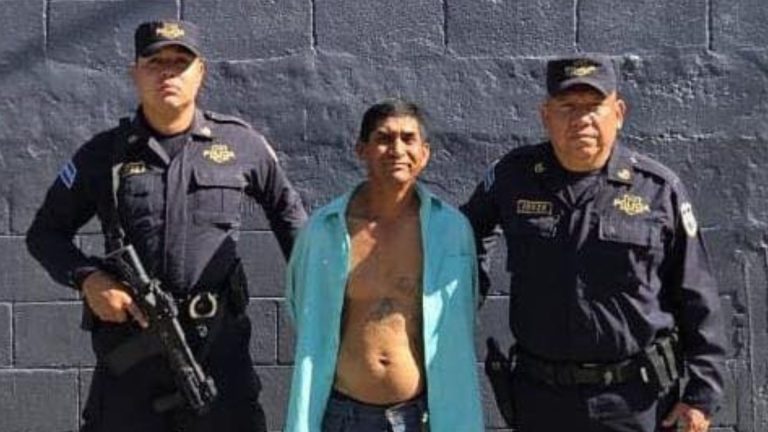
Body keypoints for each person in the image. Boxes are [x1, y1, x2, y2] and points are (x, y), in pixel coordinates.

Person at [26, 20, 307, 432]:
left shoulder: (241, 145)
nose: (167, 73)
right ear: (135, 73)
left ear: (200, 72)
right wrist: (89, 279)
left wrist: (319, 303)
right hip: (129, 360)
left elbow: (292, 222)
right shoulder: (103, 154)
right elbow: (44, 234)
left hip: (219, 354)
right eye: (155, 63)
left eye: (179, 62)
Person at [462, 55, 726, 432]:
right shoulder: (513, 177)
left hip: (636, 400)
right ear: (545, 115)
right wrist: (466, 296)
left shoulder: (657, 189)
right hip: (541, 399)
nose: (581, 119)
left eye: (593, 106)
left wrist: (701, 394)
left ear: (618, 113)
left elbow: (697, 292)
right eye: (567, 107)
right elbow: (464, 236)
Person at [284, 99, 484, 432]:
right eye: (384, 138)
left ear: (425, 153)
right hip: (343, 417)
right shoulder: (323, 231)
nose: (397, 150)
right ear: (361, 150)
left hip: (419, 417)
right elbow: (300, 310)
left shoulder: (451, 231)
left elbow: (464, 311)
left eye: (408, 139)